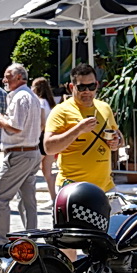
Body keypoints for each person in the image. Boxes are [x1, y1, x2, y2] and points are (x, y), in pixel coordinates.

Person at [45, 62, 123, 197]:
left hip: (106, 187)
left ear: (97, 85)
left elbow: (119, 136)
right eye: (81, 87)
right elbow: (49, 147)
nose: (87, 91)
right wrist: (78, 129)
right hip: (73, 188)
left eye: (91, 86)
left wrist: (117, 141)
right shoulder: (61, 111)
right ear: (72, 87)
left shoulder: (104, 108)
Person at [0, 63, 46, 237]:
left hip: (19, 153)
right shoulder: (31, 96)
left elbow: (16, 126)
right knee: (27, 200)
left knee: (1, 198)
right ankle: (31, 237)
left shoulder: (21, 97)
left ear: (19, 77)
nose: (4, 80)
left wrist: (0, 119)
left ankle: (0, 241)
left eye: (8, 76)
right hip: (31, 152)